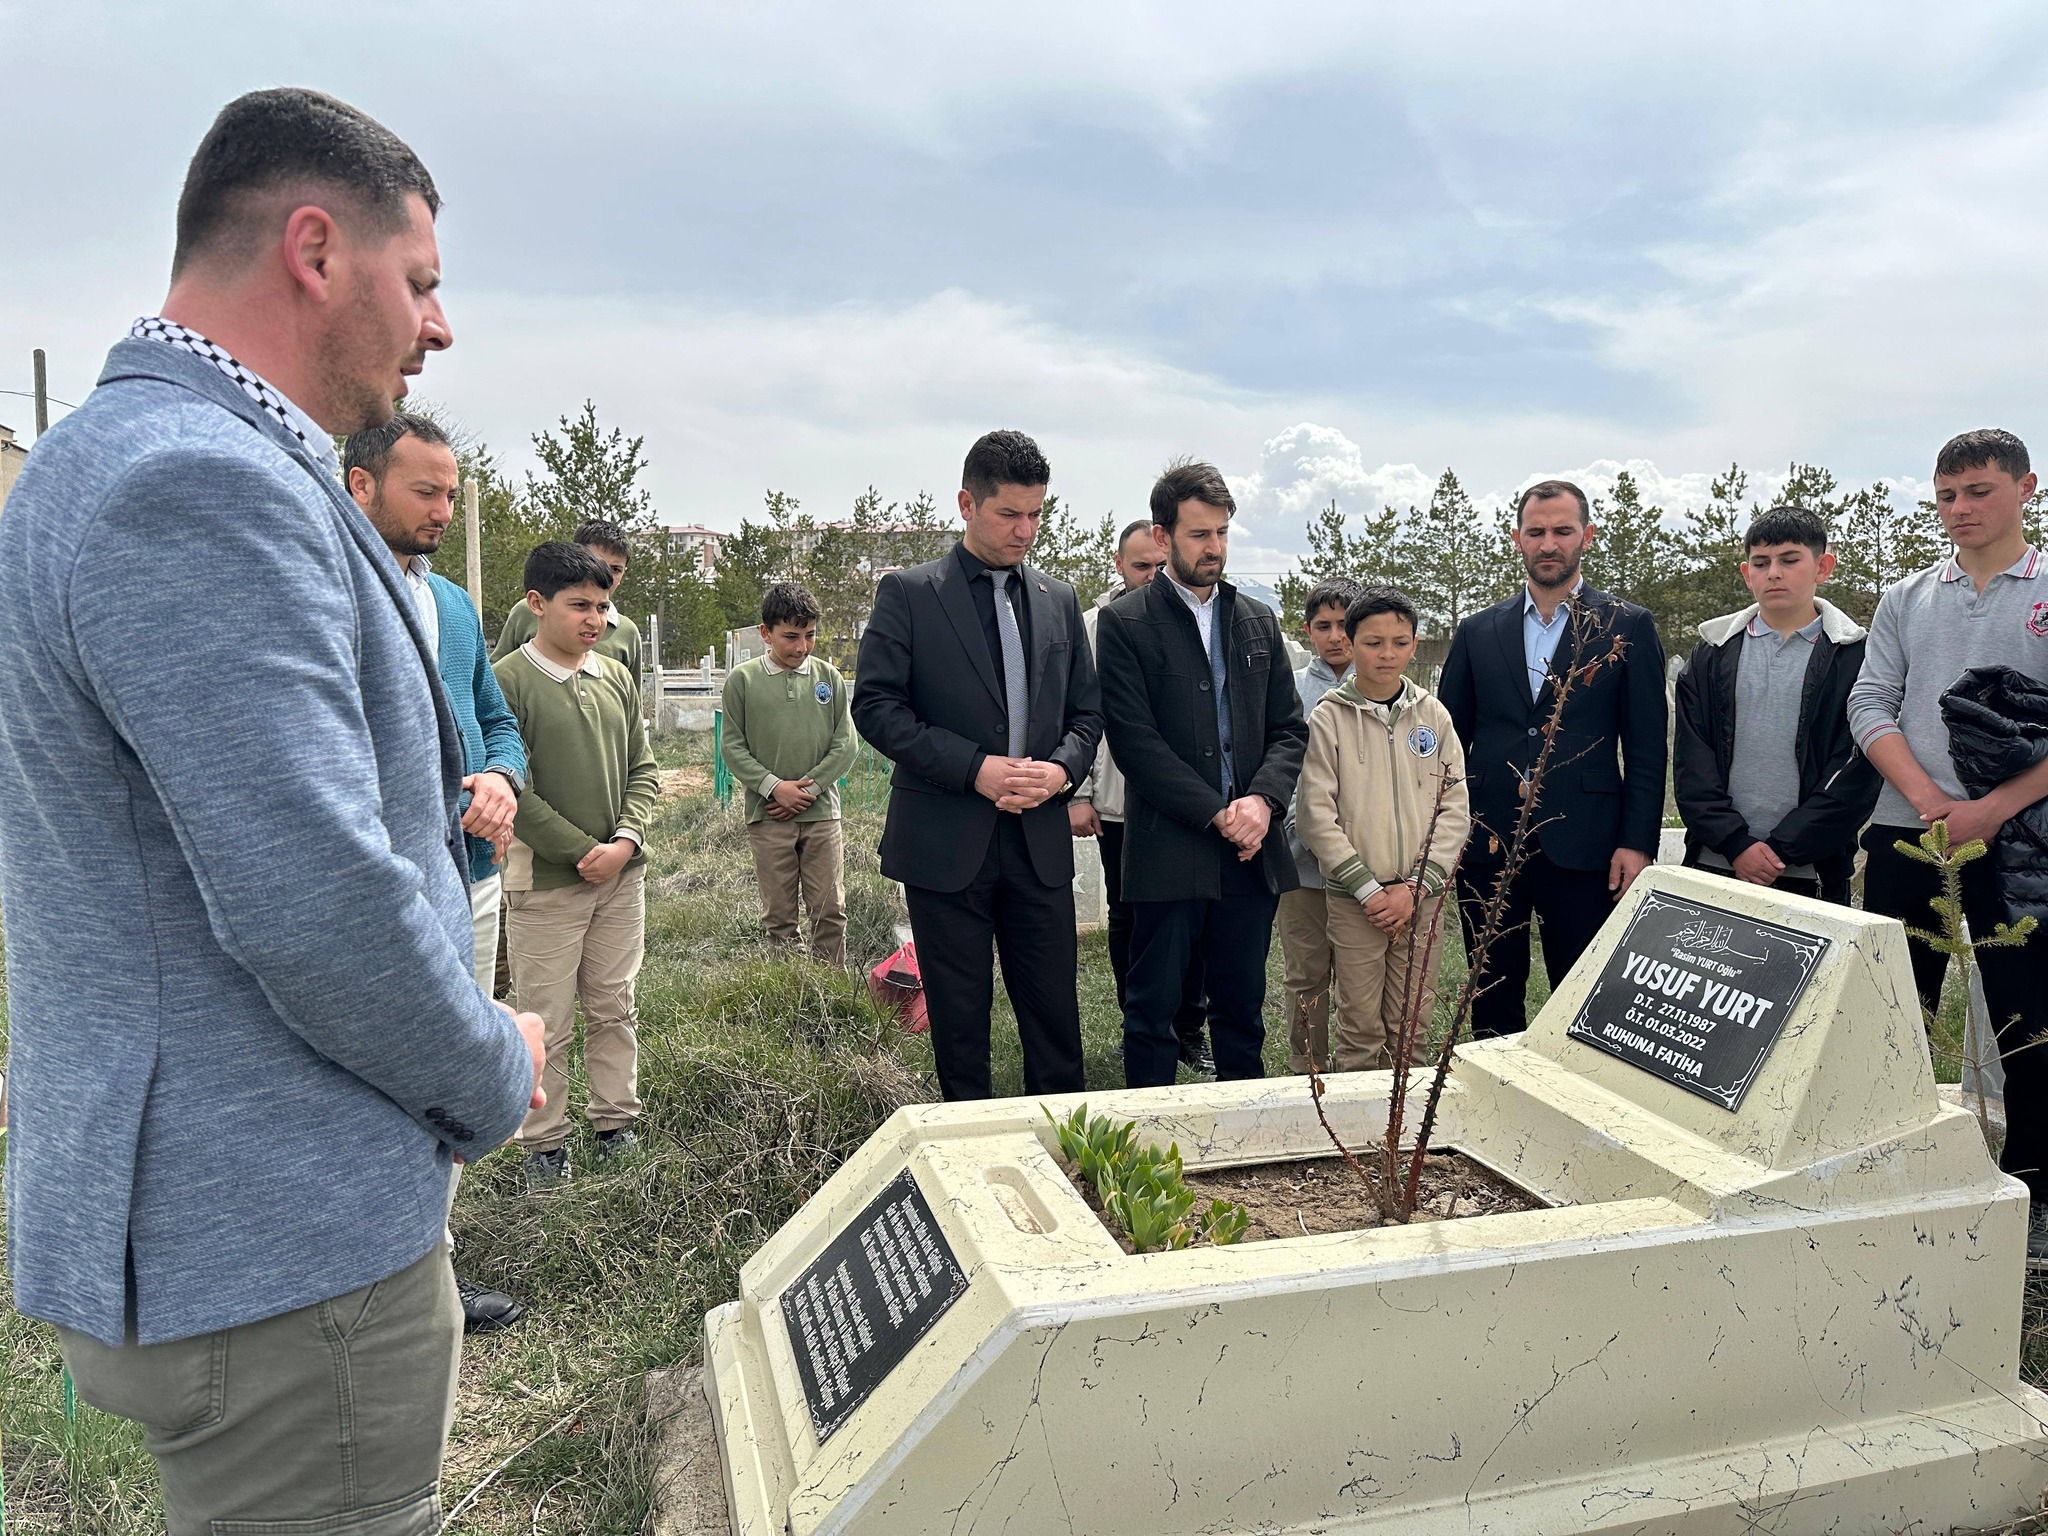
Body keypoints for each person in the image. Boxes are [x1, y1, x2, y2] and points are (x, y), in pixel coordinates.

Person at [0, 89, 544, 1533]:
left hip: (235, 1237)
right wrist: (494, 1064)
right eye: (421, 282)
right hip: (276, 1259)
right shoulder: (194, 484)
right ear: (316, 249)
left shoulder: (153, 460)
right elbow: (317, 905)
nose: (440, 329)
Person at [344, 410, 532, 1334]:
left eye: (453, 495)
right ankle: (372, 1290)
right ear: (360, 484)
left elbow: (496, 720)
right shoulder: (328, 587)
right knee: (379, 1077)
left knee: (447, 1078)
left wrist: (501, 777)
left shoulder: (453, 606)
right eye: (426, 491)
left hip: (471, 875)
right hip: (376, 892)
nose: (444, 510)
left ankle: (431, 1284)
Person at [852, 430, 1102, 1101]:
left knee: (1054, 1019)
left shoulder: (1059, 599)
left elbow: (1087, 715)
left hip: (1038, 843)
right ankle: (968, 1156)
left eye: (1037, 514)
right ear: (967, 503)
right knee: (960, 1024)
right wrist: (975, 769)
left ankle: (1064, 1154)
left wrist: (1059, 772)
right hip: (946, 843)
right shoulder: (909, 594)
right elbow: (875, 708)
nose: (1026, 531)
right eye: (1009, 514)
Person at [1848, 428, 2048, 1258]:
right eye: (1946, 496)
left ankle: (2035, 1196)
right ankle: (1891, 1177)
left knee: (2028, 1023)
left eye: (1978, 492)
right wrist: (1930, 799)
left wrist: (1992, 808)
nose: (1960, 510)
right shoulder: (1907, 597)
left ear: (2026, 489)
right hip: (1909, 834)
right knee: (1896, 1016)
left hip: (2024, 842)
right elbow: (1870, 703)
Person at [1096, 459, 1308, 1088]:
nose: (1214, 548)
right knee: (1154, 1010)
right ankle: (1151, 1147)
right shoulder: (1127, 623)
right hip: (1169, 848)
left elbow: (1288, 730)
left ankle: (1245, 1150)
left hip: (1250, 852)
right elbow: (1136, 744)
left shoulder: (1256, 620)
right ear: (1162, 539)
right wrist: (1220, 812)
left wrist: (1262, 804)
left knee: (1241, 1008)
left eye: (1221, 533)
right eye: (1199, 535)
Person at [1438, 479, 1667, 1038]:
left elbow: (1645, 748)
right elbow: (1446, 743)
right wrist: (1447, 839)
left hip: (1587, 843)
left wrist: (1636, 842)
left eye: (1562, 531)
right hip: (1488, 840)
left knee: (1586, 997)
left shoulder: (1627, 627)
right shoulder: (1476, 632)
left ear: (1586, 536)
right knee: (1490, 993)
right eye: (1536, 532)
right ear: (1517, 538)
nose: (1549, 544)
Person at [495, 542, 660, 1186]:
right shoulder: (509, 680)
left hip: (621, 877)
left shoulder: (615, 677)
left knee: (614, 1003)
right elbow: (512, 789)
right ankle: (544, 1145)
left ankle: (616, 1121)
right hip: (547, 883)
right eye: (579, 605)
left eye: (603, 605)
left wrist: (623, 841)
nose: (594, 619)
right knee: (547, 1016)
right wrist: (579, 851)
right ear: (537, 604)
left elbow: (643, 769)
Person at [1296, 587, 1471, 1070]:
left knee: (1411, 1019)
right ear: (1351, 645)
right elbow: (1315, 813)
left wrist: (1418, 885)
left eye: (1400, 641)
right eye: (1374, 642)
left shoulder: (1432, 715)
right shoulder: (1329, 717)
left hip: (1421, 896)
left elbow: (1453, 806)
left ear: (1416, 645)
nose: (1387, 653)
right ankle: (1357, 1135)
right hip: (1358, 900)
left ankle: (1405, 1133)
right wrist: (1368, 889)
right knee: (1360, 1024)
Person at [1674, 505, 1879, 905]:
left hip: (1813, 871)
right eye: (1761, 562)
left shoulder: (1855, 656)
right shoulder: (1711, 653)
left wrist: (1783, 849)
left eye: (1789, 560)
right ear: (1746, 573)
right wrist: (1735, 843)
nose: (1774, 572)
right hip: (1716, 863)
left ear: (1823, 567)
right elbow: (1691, 761)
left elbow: (1855, 770)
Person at [1070, 520, 1215, 1076]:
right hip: (1119, 801)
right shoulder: (1092, 626)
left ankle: (1189, 1030)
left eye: (1158, 565)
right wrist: (1078, 794)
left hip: (1188, 802)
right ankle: (1141, 1027)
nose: (1151, 576)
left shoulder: (1193, 619)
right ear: (1118, 564)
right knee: (1129, 918)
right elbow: (1079, 715)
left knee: (1196, 919)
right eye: (1140, 567)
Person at [720, 581, 858, 965]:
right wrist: (775, 788)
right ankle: (790, 989)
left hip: (821, 814)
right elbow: (732, 747)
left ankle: (830, 988)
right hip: (768, 816)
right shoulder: (743, 681)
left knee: (829, 909)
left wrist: (808, 789)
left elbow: (846, 744)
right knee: (779, 916)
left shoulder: (828, 677)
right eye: (791, 637)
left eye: (810, 636)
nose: (801, 647)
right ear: (766, 633)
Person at [1278, 576, 1364, 1072]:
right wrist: (1297, 830)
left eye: (1345, 625)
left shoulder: (1380, 685)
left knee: (1359, 973)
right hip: (1301, 863)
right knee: (1306, 971)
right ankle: (1306, 1067)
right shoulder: (1291, 690)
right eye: (1324, 626)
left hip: (1366, 865)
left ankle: (1359, 1068)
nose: (1336, 637)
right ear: (1308, 630)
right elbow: (1282, 765)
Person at [492, 517, 644, 671]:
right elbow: (495, 677)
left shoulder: (627, 633)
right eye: (598, 563)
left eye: (616, 569)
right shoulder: (526, 611)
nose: (607, 575)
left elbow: (629, 693)